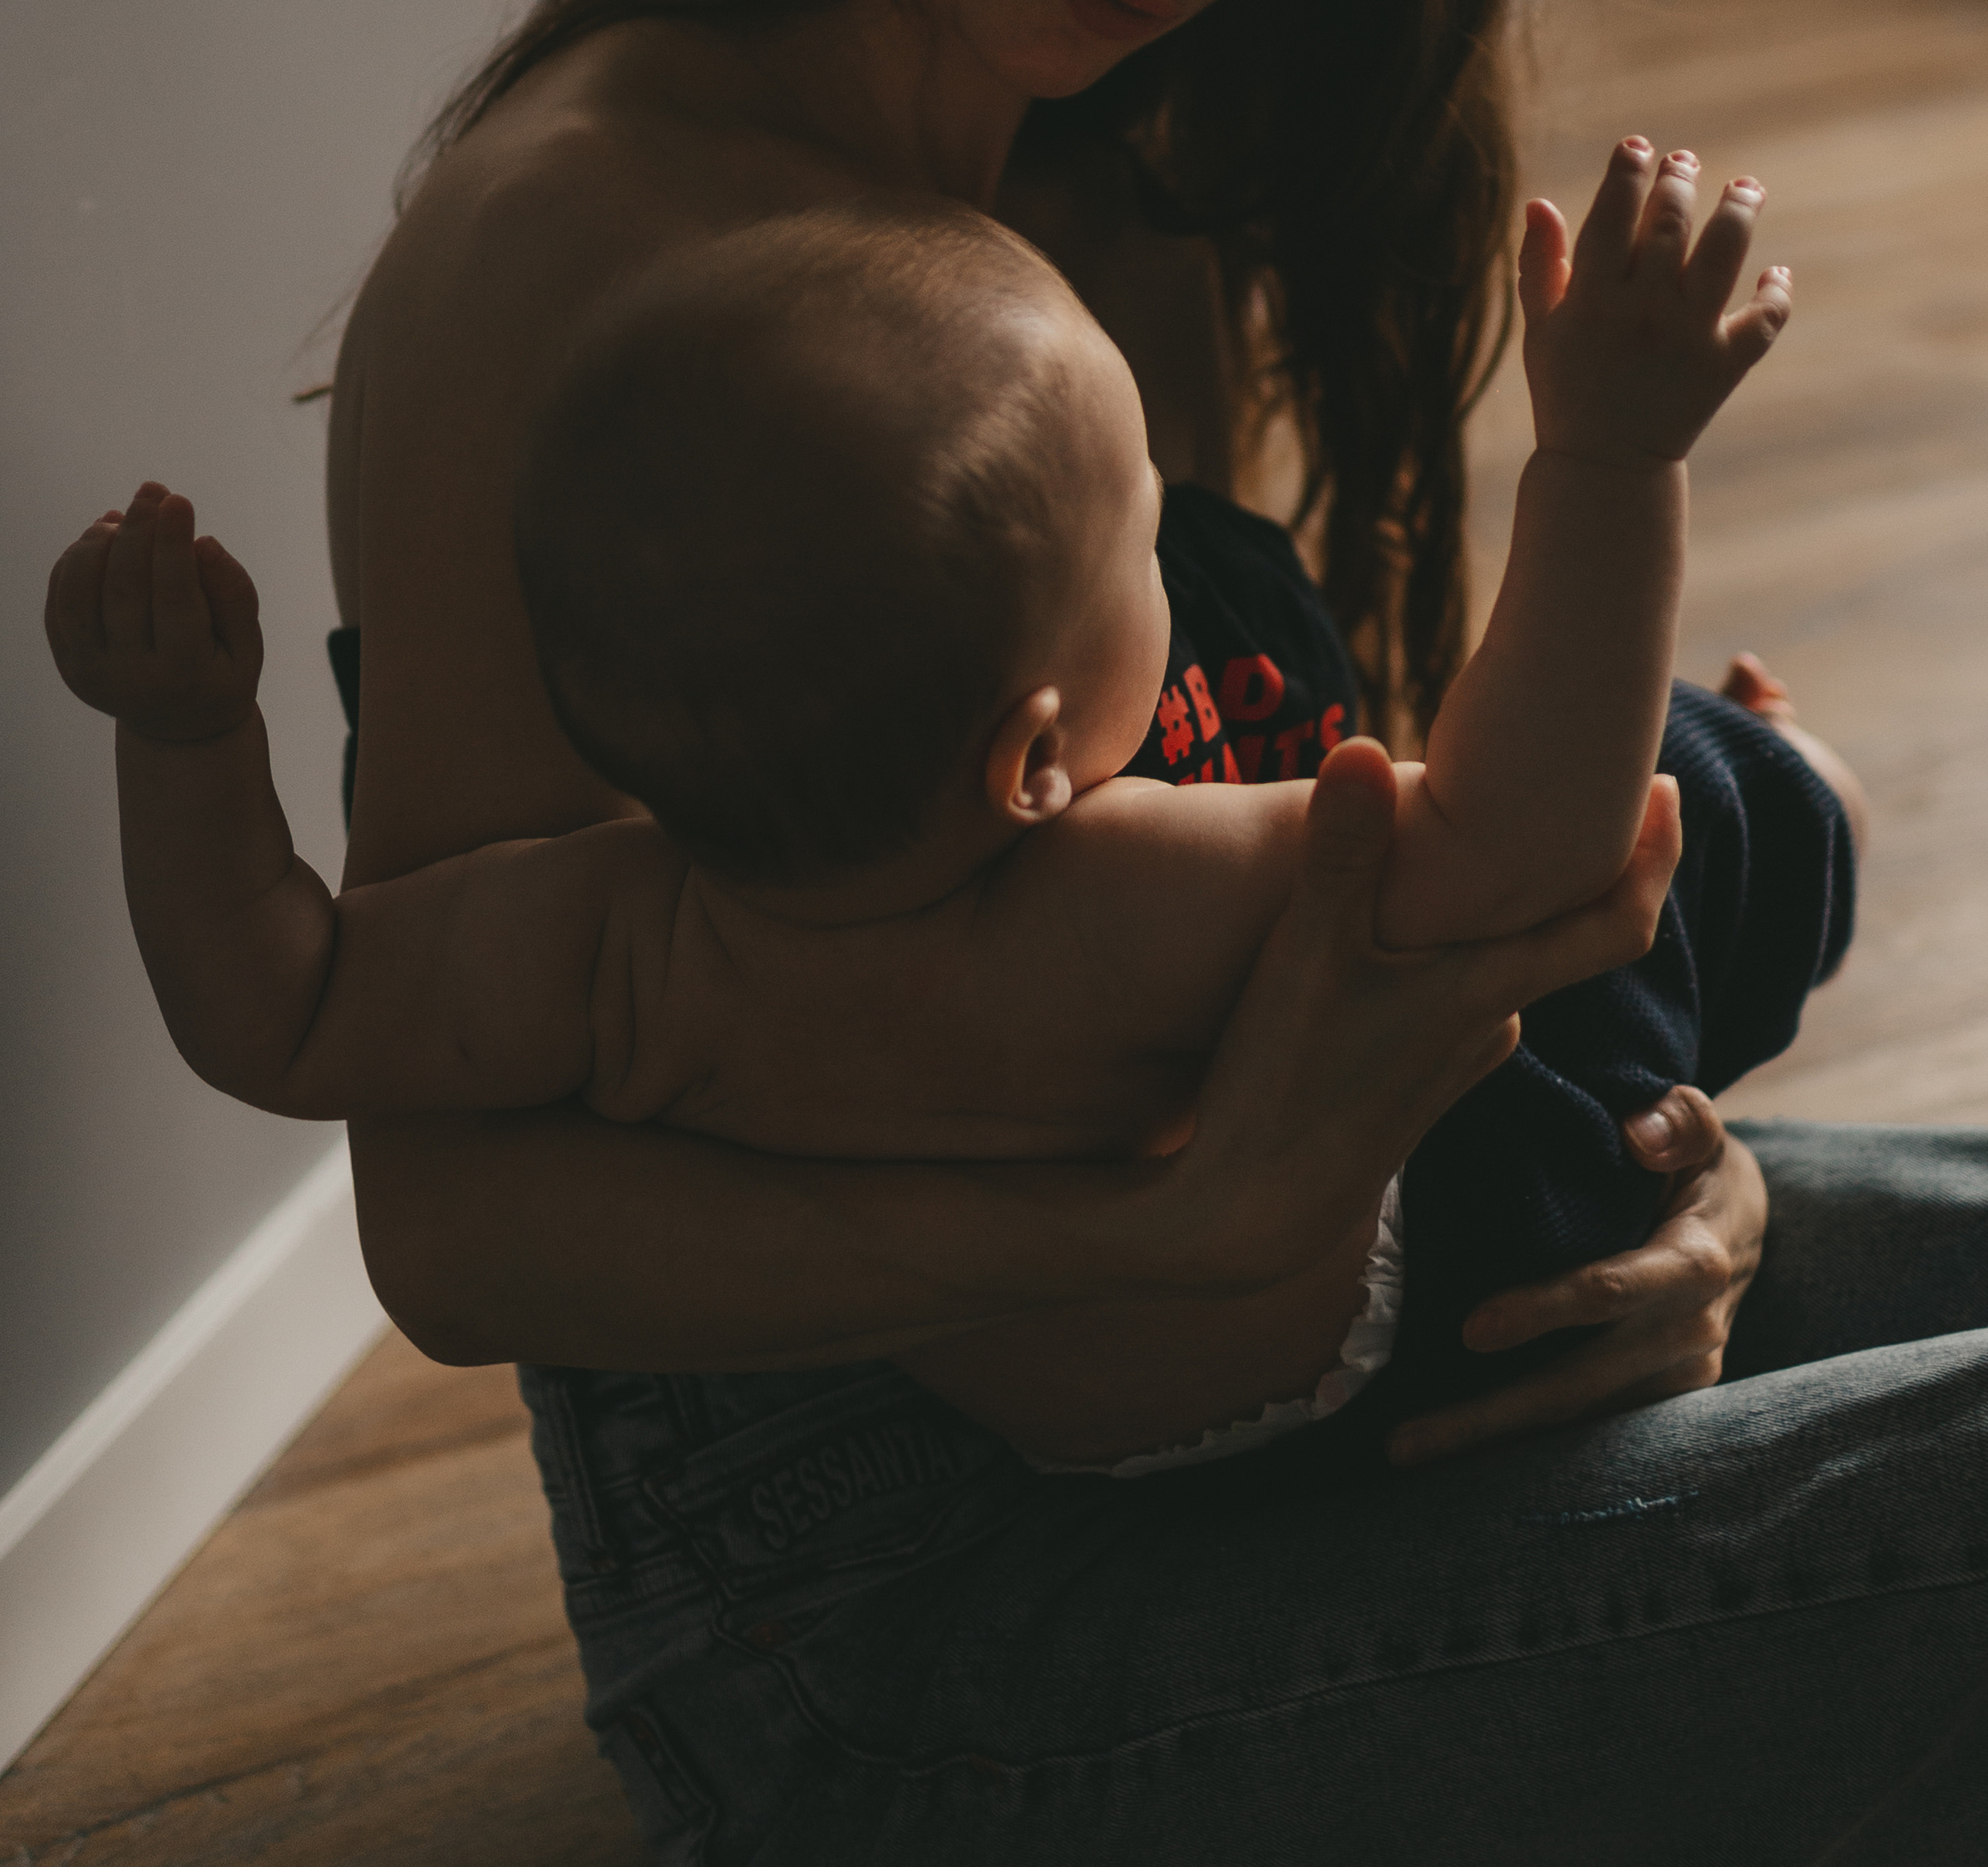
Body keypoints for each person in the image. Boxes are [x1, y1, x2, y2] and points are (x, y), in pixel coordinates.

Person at [278, 0, 1988, 1867]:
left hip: (1313, 1380)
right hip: (909, 1690)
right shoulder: (578, 255)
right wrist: (1172, 1213)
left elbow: (1248, 893)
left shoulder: (1103, 174)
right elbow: (458, 1215)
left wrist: (1669, 1193)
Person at [46, 138, 1856, 1469]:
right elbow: (1517, 856)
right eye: (1146, 533)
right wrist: (1608, 463)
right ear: (1034, 756)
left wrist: (187, 742)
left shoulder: (600, 944)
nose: (1170, 548)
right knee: (1684, 779)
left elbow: (276, 1012)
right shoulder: (1119, 889)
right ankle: (1806, 781)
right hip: (1437, 1288)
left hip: (1084, 1452)